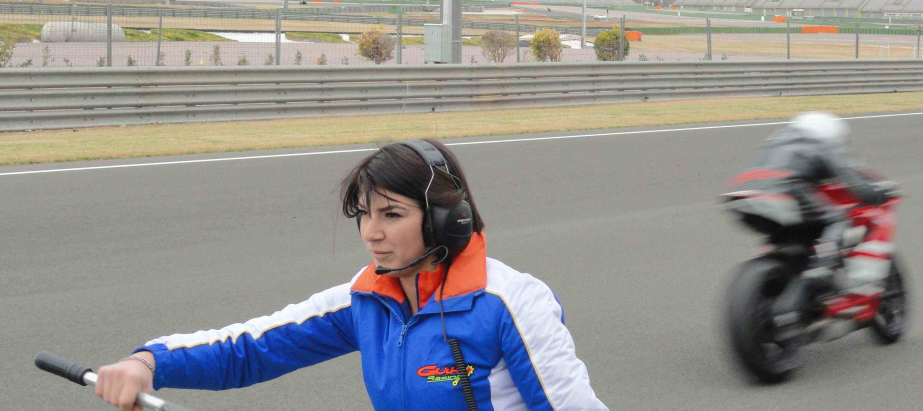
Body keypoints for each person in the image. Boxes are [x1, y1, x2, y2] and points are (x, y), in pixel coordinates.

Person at [94, 139, 607, 411]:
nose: (370, 233)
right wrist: (148, 362)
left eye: (391, 214)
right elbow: (250, 349)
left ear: (447, 220)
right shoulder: (365, 300)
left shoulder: (513, 303)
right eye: (363, 214)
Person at [732, 112, 896, 332]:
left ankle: (776, 268)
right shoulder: (823, 143)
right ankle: (821, 268)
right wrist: (877, 195)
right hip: (786, 191)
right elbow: (855, 182)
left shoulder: (776, 141)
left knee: (791, 237)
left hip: (741, 196)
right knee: (836, 219)